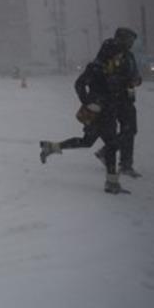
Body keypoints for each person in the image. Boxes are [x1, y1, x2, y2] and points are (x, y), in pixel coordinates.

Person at [38, 38, 129, 194]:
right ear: (110, 52)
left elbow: (115, 87)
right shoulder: (95, 67)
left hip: (109, 111)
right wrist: (87, 101)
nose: (119, 57)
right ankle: (111, 183)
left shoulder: (113, 67)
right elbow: (79, 84)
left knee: (88, 142)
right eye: (118, 53)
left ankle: (52, 147)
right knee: (111, 145)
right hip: (98, 113)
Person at [95, 27, 143, 177]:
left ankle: (122, 161)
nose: (131, 43)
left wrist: (136, 80)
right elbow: (102, 74)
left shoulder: (129, 56)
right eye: (129, 40)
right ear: (120, 38)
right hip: (111, 99)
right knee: (115, 131)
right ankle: (119, 161)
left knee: (130, 130)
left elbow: (135, 74)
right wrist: (121, 81)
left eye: (132, 41)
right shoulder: (109, 52)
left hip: (127, 99)